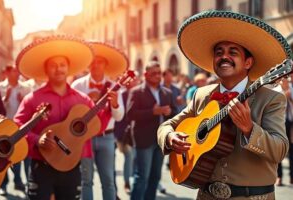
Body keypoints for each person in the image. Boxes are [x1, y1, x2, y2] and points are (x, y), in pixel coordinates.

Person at [157, 10, 290, 200]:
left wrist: (249, 129)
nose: (224, 57)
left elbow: (280, 151)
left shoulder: (271, 99)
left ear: (248, 62)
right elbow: (166, 126)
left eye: (232, 52)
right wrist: (170, 137)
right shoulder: (202, 95)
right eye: (219, 53)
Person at [13, 35, 110, 200]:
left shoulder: (82, 99)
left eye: (62, 65)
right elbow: (17, 127)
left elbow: (96, 126)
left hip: (71, 167)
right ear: (46, 70)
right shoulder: (33, 98)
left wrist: (110, 108)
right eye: (53, 66)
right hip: (41, 166)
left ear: (68, 68)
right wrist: (37, 139)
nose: (58, 69)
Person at [71, 42, 128, 200]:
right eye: (93, 61)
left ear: (105, 65)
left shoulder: (114, 86)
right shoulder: (77, 85)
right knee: (86, 181)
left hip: (106, 137)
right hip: (84, 139)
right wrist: (88, 102)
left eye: (100, 62)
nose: (96, 65)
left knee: (108, 181)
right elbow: (71, 115)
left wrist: (115, 104)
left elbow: (119, 116)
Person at [127, 61, 177, 200]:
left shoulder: (167, 92)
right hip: (144, 139)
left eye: (159, 73)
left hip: (160, 140)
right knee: (142, 176)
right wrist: (152, 112)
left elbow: (175, 112)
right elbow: (130, 114)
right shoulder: (136, 92)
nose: (157, 76)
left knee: (155, 176)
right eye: (153, 73)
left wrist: (169, 112)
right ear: (145, 74)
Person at [0, 64, 31, 195]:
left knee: (21, 156)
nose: (17, 73)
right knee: (2, 158)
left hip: (21, 128)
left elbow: (30, 108)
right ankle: (3, 184)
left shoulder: (26, 88)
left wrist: (23, 102)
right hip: (3, 130)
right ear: (8, 73)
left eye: (17, 71)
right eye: (14, 71)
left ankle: (20, 182)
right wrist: (6, 98)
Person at [276, 75, 293, 186]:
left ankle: (292, 176)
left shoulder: (292, 89)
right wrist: (283, 95)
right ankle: (279, 176)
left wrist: (289, 95)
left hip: (291, 122)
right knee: (278, 150)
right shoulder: (275, 91)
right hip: (278, 123)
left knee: (292, 150)